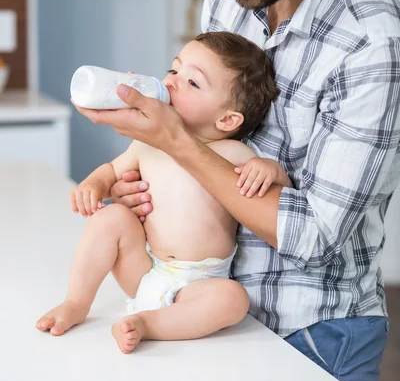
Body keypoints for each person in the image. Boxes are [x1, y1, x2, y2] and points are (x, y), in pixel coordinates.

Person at [73, 0, 400, 381]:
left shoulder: (373, 42)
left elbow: (313, 237)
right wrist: (151, 177)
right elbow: (213, 135)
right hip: (210, 313)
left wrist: (178, 146)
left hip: (313, 331)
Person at [36, 32, 289, 353]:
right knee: (112, 216)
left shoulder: (232, 154)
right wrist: (94, 184)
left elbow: (281, 195)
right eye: (174, 70)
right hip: (145, 269)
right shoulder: (147, 142)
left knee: (233, 300)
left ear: (227, 119)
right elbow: (112, 171)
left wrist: (269, 170)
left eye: (192, 83)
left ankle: (149, 324)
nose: (172, 81)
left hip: (199, 285)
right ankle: (76, 301)